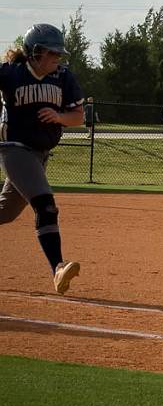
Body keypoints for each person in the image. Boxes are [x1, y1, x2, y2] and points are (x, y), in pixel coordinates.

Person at [0, 24, 85, 294]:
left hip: (40, 155)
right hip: (14, 149)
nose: (57, 58)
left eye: (60, 54)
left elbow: (78, 116)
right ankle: (58, 268)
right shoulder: (11, 74)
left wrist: (59, 117)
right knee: (46, 206)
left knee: (6, 212)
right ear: (35, 52)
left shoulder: (62, 77)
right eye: (52, 53)